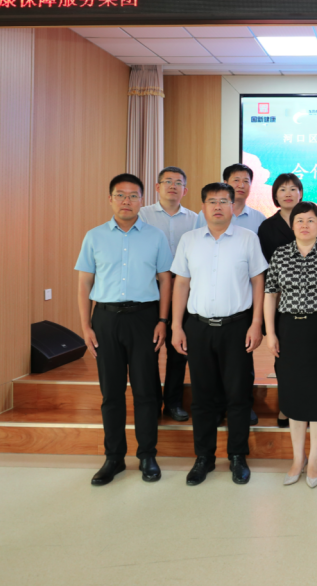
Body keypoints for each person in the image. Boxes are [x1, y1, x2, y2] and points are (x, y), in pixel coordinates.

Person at [76, 174, 173, 486]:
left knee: (146, 391)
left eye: (133, 196)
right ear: (110, 199)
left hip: (144, 319)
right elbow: (84, 283)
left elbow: (166, 280)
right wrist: (86, 326)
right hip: (105, 320)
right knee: (111, 393)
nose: (126, 201)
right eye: (120, 195)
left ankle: (147, 455)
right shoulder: (94, 237)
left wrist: (163, 321)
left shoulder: (156, 237)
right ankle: (114, 457)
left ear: (142, 200)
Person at [171, 182, 268, 486]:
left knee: (238, 394)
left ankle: (237, 456)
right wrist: (176, 325)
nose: (217, 206)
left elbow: (258, 282)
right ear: (203, 207)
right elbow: (181, 284)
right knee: (202, 397)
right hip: (198, 327)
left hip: (237, 326)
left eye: (223, 201)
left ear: (232, 206)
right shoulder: (189, 240)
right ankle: (204, 457)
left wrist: (256, 323)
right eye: (212, 201)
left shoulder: (248, 238)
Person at [263, 202, 317, 488]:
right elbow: (270, 295)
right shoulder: (280, 255)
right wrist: (271, 333)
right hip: (289, 330)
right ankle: (297, 458)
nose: (304, 225)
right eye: (299, 220)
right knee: (294, 395)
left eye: (311, 220)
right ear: (292, 225)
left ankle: (314, 459)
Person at [138, 167, 198, 422]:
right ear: (157, 187)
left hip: (183, 290)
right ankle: (151, 403)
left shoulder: (195, 219)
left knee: (179, 350)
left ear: (185, 190)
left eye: (178, 183)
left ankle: (173, 402)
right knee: (147, 350)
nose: (173, 186)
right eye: (168, 182)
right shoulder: (142, 215)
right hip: (150, 290)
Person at [256, 172, 304, 427]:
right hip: (280, 302)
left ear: (300, 193)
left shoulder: (310, 220)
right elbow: (264, 269)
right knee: (283, 357)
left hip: (312, 300)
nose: (288, 193)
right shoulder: (267, 227)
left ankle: (307, 405)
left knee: (308, 357)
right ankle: (286, 407)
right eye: (282, 189)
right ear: (275, 195)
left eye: (293, 188)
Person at [194, 163, 267, 233]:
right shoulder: (206, 213)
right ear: (225, 183)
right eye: (236, 180)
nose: (241, 185)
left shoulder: (259, 218)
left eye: (246, 181)